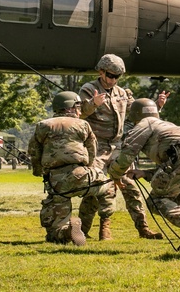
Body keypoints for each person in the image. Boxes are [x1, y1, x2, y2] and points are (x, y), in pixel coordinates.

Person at [79, 53, 167, 240]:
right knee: (98, 187)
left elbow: (136, 113)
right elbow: (79, 114)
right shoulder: (89, 89)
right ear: (101, 71)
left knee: (130, 187)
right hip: (96, 147)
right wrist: (93, 104)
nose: (113, 80)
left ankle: (143, 229)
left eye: (117, 77)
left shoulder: (122, 93)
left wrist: (157, 107)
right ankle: (87, 230)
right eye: (110, 75)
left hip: (117, 147)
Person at [108, 100, 180, 250]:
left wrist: (114, 173)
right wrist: (145, 173)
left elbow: (128, 153)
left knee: (156, 200)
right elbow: (171, 165)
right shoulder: (169, 126)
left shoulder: (145, 123)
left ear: (135, 115)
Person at [27, 91, 115, 246]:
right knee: (108, 186)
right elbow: (92, 149)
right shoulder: (83, 124)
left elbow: (34, 151)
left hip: (57, 183)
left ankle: (67, 231)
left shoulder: (42, 125)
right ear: (71, 107)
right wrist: (88, 168)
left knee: (54, 233)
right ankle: (104, 228)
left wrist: (38, 171)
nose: (80, 109)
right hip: (81, 176)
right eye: (78, 105)